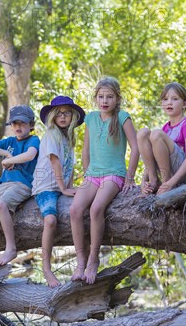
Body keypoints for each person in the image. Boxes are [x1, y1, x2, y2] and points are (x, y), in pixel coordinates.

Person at [69, 77, 139, 284]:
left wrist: (130, 177)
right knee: (74, 210)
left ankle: (93, 259)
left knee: (95, 209)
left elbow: (136, 148)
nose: (105, 100)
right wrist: (86, 171)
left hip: (114, 174)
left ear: (117, 98)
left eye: (109, 96)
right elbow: (86, 149)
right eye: (101, 96)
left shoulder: (123, 117)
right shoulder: (90, 118)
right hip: (93, 175)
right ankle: (80, 260)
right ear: (96, 98)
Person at [0, 105, 40, 275]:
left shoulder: (33, 140)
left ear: (31, 125)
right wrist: (6, 155)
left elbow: (30, 155)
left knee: (0, 206)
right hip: (2, 185)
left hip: (22, 184)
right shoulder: (9, 142)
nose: (18, 127)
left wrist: (9, 161)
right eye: (14, 124)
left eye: (22, 123)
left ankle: (11, 248)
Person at [32, 96, 85, 287]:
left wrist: (69, 187)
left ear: (73, 116)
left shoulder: (68, 139)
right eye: (59, 113)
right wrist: (63, 188)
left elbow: (68, 166)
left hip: (61, 187)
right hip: (46, 187)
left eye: (67, 113)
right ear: (53, 116)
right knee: (51, 219)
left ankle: (83, 263)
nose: (63, 116)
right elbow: (55, 163)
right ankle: (46, 268)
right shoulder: (51, 135)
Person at [137, 82, 186, 195]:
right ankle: (153, 181)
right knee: (143, 133)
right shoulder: (165, 128)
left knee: (156, 134)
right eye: (165, 99)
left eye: (175, 99)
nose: (169, 102)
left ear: (184, 104)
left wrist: (170, 183)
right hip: (171, 170)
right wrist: (144, 181)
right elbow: (152, 157)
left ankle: (165, 182)